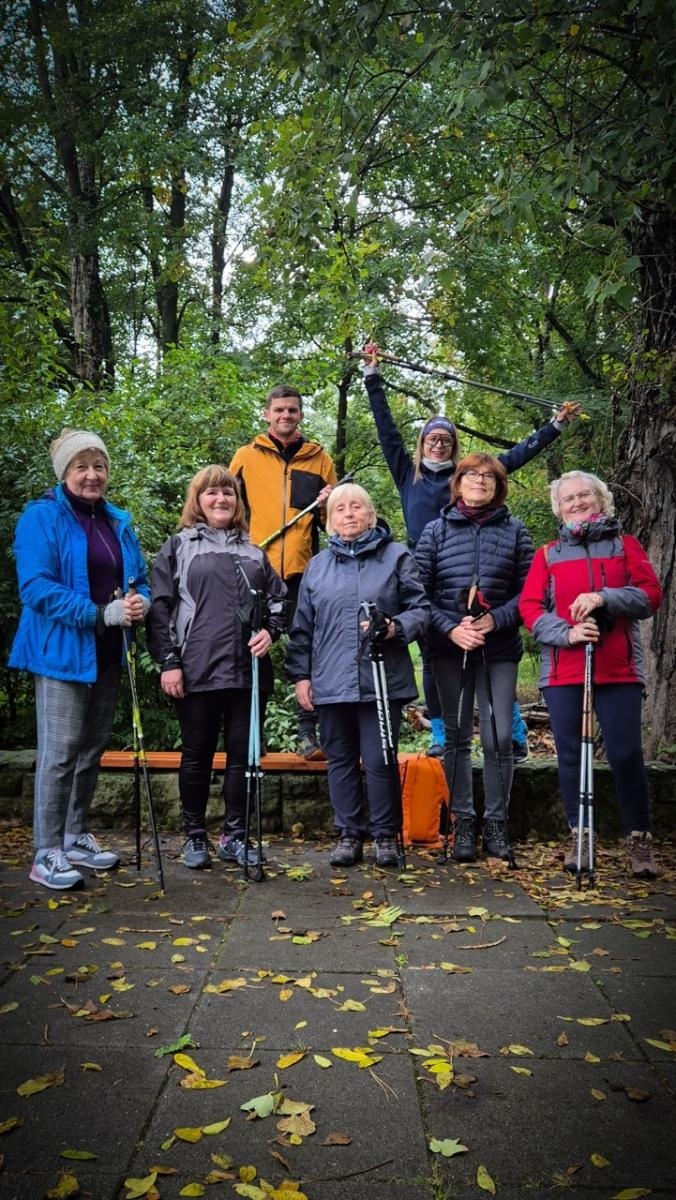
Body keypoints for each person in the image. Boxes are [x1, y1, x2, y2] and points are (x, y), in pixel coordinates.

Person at [362, 342, 577, 757]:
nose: (439, 444)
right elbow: (387, 429)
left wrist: (554, 427)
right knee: (434, 655)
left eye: (446, 439)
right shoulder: (409, 477)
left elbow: (513, 457)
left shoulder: (472, 477)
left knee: (495, 653)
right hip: (430, 580)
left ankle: (511, 731)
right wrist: (373, 378)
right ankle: (444, 735)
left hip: (480, 574)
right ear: (422, 444)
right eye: (432, 438)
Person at [9, 428, 150, 890]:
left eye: (99, 466)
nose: (92, 475)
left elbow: (139, 578)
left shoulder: (115, 520)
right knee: (59, 755)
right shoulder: (42, 518)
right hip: (61, 655)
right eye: (81, 467)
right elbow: (35, 588)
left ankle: (73, 838)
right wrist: (98, 613)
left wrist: (139, 602)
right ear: (65, 473)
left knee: (90, 752)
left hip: (107, 654)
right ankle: (46, 851)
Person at [519, 470, 663, 878]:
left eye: (585, 495)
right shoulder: (548, 554)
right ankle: (580, 836)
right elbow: (530, 608)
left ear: (601, 500)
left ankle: (639, 840)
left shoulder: (625, 546)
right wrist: (566, 632)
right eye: (569, 499)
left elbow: (650, 594)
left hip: (619, 667)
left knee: (625, 753)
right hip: (564, 669)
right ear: (559, 508)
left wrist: (604, 597)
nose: (578, 502)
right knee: (571, 755)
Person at [147, 465, 286, 870]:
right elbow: (160, 609)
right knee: (197, 757)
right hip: (196, 669)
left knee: (243, 759)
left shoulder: (254, 553)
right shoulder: (178, 547)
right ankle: (194, 836)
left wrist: (271, 634)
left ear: (237, 502)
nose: (221, 499)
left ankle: (235, 837)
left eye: (228, 493)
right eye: (211, 493)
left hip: (248, 675)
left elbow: (279, 603)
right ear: (197, 501)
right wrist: (169, 662)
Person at [286, 482, 429, 867]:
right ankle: (349, 834)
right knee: (341, 759)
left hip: (381, 679)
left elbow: (420, 609)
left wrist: (395, 627)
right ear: (330, 521)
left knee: (380, 759)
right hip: (331, 681)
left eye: (356, 507)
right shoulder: (317, 566)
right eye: (340, 509)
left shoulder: (397, 557)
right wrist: (302, 676)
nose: (348, 514)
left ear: (370, 514)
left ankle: (384, 836)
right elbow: (303, 628)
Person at [415, 454, 534, 862]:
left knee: (499, 736)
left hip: (499, 649)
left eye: (488, 476)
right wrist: (451, 628)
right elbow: (418, 593)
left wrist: (494, 621)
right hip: (449, 650)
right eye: (471, 475)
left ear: (498, 485)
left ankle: (497, 823)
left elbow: (531, 592)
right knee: (456, 736)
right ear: (458, 482)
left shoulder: (516, 532)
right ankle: (464, 822)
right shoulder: (435, 531)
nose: (479, 481)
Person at [229, 385, 338, 760]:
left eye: (292, 410)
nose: (285, 416)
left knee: (306, 649)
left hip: (300, 573)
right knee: (251, 650)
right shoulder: (245, 456)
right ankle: (248, 737)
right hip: (254, 571)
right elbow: (226, 509)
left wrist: (327, 504)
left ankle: (308, 734)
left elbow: (333, 523)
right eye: (279, 410)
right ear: (267, 414)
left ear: (301, 415)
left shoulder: (319, 459)